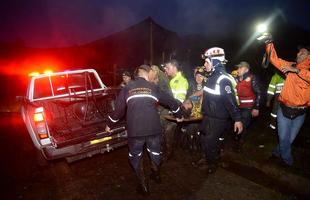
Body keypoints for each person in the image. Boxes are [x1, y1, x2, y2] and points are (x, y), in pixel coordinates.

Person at [106, 65, 183, 195]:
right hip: (153, 129)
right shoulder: (153, 87)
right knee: (155, 153)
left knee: (135, 156)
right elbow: (171, 101)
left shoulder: (127, 88)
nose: (153, 74)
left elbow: (118, 111)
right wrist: (179, 114)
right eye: (151, 72)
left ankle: (143, 185)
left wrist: (109, 124)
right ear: (146, 73)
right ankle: (156, 173)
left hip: (135, 131)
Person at [195, 47, 243, 173]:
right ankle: (205, 159)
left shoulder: (223, 79)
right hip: (208, 116)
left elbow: (230, 101)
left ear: (215, 62)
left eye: (207, 62)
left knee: (211, 143)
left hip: (217, 118)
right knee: (204, 139)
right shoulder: (211, 77)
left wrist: (237, 119)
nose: (204, 65)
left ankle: (212, 164)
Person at [264, 41, 310, 166]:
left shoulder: (300, 70)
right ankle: (288, 161)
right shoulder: (290, 65)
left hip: (301, 113)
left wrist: (297, 71)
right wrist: (269, 43)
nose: (298, 53)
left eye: (302, 52)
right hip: (284, 110)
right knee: (284, 139)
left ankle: (276, 153)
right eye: (299, 51)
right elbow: (274, 59)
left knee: (289, 139)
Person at [162, 59, 189, 160]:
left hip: (175, 113)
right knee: (165, 132)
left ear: (174, 68)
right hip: (169, 111)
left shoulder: (181, 81)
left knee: (169, 131)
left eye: (167, 67)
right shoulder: (171, 79)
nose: (165, 69)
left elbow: (179, 101)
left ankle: (169, 153)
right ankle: (167, 151)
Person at [234, 61, 262, 150]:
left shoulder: (252, 78)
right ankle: (238, 138)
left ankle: (240, 141)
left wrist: (256, 107)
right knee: (237, 123)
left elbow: (259, 93)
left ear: (246, 69)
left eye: (240, 68)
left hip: (248, 107)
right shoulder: (236, 79)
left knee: (243, 124)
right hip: (237, 106)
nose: (238, 69)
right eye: (238, 68)